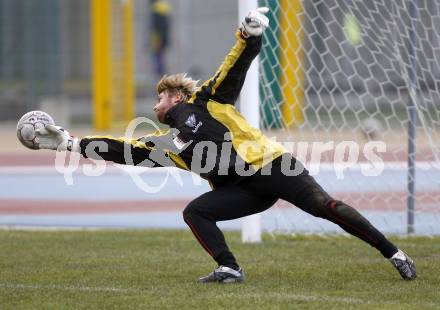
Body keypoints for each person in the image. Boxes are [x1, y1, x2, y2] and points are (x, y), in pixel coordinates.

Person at [34, 7, 416, 283]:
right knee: (196, 212)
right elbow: (123, 148)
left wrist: (249, 36)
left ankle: (394, 253)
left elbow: (232, 69)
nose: (154, 104)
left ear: (175, 96)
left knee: (324, 207)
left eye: (159, 97)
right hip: (244, 189)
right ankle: (230, 267)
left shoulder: (206, 100)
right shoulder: (168, 144)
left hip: (272, 166)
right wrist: (69, 143)